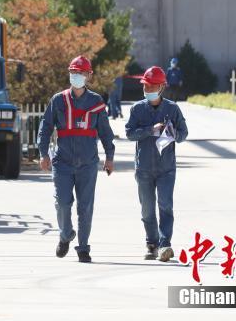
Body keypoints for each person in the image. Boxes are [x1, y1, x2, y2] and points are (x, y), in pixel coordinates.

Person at [37, 56, 115, 263]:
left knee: (85, 207)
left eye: (80, 73)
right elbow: (45, 129)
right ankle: (65, 234)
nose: (76, 76)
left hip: (88, 163)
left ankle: (83, 248)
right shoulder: (58, 100)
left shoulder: (96, 102)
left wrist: (110, 157)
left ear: (89, 76)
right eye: (73, 72)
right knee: (62, 203)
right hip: (62, 162)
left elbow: (106, 132)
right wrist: (43, 153)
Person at [124, 65, 189, 262]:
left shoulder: (172, 109)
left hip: (166, 168)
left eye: (152, 87)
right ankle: (151, 242)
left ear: (161, 87)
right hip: (143, 167)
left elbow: (183, 134)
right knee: (147, 208)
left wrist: (172, 133)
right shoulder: (137, 109)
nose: (148, 91)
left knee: (165, 205)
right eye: (146, 87)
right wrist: (149, 130)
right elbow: (129, 133)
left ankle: (164, 244)